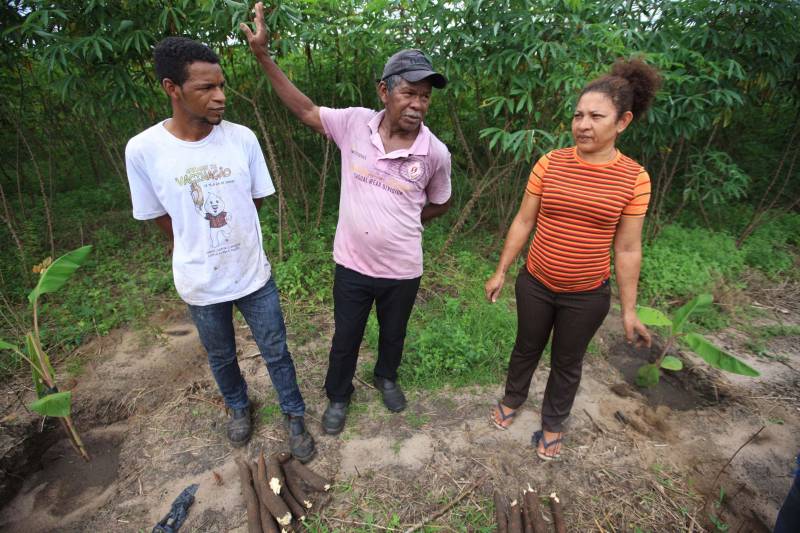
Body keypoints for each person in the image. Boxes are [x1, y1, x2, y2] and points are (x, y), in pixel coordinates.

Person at [240, 3, 452, 435]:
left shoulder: (435, 152)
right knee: (345, 338)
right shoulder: (354, 125)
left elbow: (440, 202)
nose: (418, 104)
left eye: (425, 96)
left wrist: (408, 219)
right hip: (353, 266)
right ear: (384, 92)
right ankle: (339, 396)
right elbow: (303, 109)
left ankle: (386, 377)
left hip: (403, 269)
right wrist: (264, 56)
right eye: (409, 93)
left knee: (394, 334)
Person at [124, 37, 315, 461]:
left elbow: (255, 199)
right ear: (172, 89)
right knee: (221, 354)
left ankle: (294, 413)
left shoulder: (241, 139)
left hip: (252, 274)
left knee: (276, 349)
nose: (220, 97)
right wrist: (197, 245)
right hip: (199, 280)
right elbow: (159, 215)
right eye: (206, 88)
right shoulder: (143, 151)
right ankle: (237, 405)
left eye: (221, 85)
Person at [484, 59, 660, 460]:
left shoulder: (635, 179)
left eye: (596, 116)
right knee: (525, 348)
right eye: (578, 115)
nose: (583, 124)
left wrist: (630, 311)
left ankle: (552, 424)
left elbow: (628, 248)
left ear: (623, 122)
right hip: (536, 282)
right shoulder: (550, 162)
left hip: (586, 294)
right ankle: (513, 400)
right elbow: (524, 220)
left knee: (568, 361)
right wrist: (501, 271)